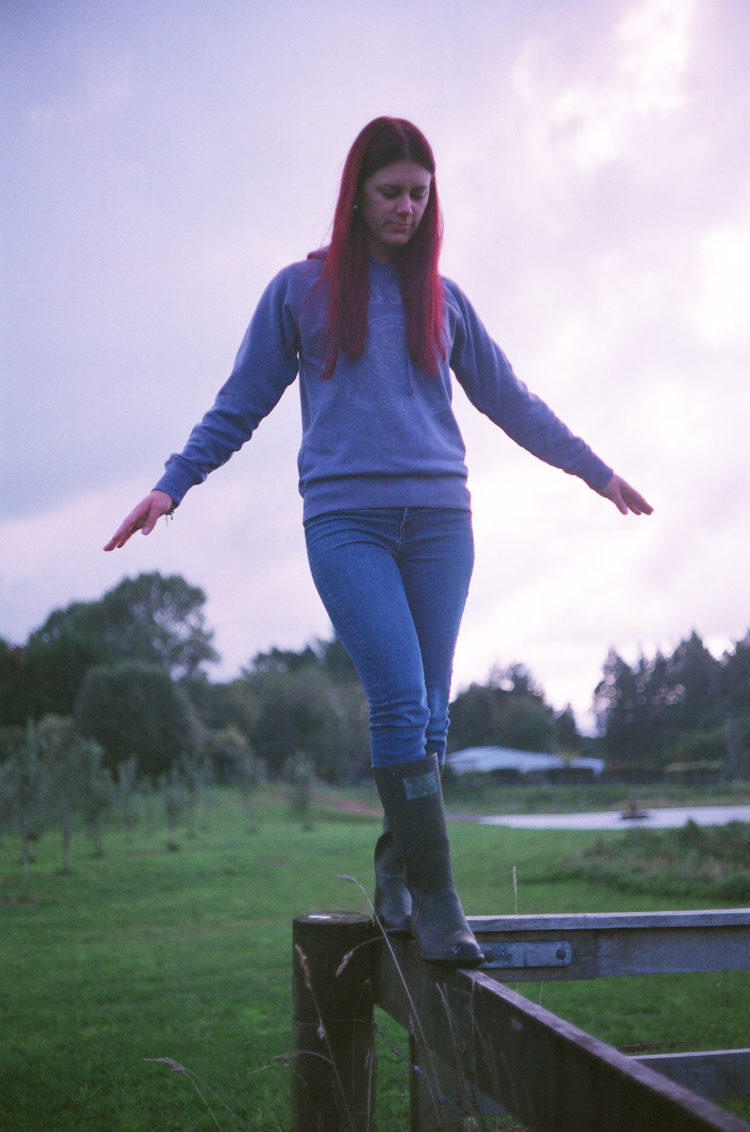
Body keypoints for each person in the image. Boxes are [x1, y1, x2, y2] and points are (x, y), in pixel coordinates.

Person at [105, 116, 652, 968]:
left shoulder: (447, 298)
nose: (405, 207)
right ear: (356, 194)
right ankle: (440, 902)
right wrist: (171, 485)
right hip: (346, 522)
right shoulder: (300, 291)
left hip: (442, 524)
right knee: (399, 698)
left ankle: (398, 875)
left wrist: (594, 470)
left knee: (433, 717)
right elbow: (240, 401)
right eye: (391, 192)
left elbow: (511, 401)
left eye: (419, 195)